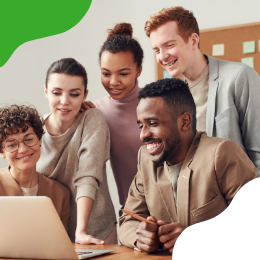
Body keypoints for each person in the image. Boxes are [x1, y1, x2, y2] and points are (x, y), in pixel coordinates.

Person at [118, 78, 259, 253]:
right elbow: (127, 220)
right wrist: (140, 238)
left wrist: (192, 239)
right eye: (141, 126)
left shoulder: (221, 153)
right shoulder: (146, 158)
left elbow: (254, 224)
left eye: (153, 124)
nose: (143, 135)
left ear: (185, 122)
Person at [144, 6, 260, 173]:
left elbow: (258, 152)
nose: (162, 57)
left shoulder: (239, 77)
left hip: (240, 194)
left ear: (193, 40)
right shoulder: (171, 98)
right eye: (157, 50)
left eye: (168, 45)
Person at [36, 58, 117, 244]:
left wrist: (81, 231)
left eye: (74, 94)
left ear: (84, 95)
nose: (64, 102)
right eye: (57, 93)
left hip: (95, 232)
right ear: (46, 92)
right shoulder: (35, 129)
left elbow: (87, 175)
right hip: (51, 234)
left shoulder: (92, 119)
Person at [86, 23, 144, 209]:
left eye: (123, 73)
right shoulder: (95, 111)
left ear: (138, 71)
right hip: (131, 211)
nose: (113, 82)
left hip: (172, 207)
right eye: (106, 73)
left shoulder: (156, 103)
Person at [0, 104, 70, 230]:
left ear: (40, 140)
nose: (23, 149)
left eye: (29, 139)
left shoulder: (61, 194)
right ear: (1, 152)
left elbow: (60, 245)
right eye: (11, 145)